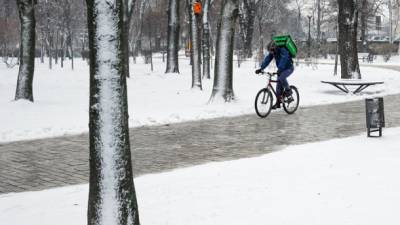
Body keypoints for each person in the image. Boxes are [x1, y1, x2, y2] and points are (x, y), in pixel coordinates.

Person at [255, 40, 294, 109]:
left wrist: (280, 69)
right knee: (278, 86)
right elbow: (267, 60)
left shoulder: (283, 50)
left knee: (281, 78)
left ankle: (288, 90)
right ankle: (278, 103)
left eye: (271, 50)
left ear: (275, 48)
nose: (271, 52)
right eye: (270, 51)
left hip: (289, 68)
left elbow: (284, 59)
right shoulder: (273, 53)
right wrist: (261, 68)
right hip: (281, 69)